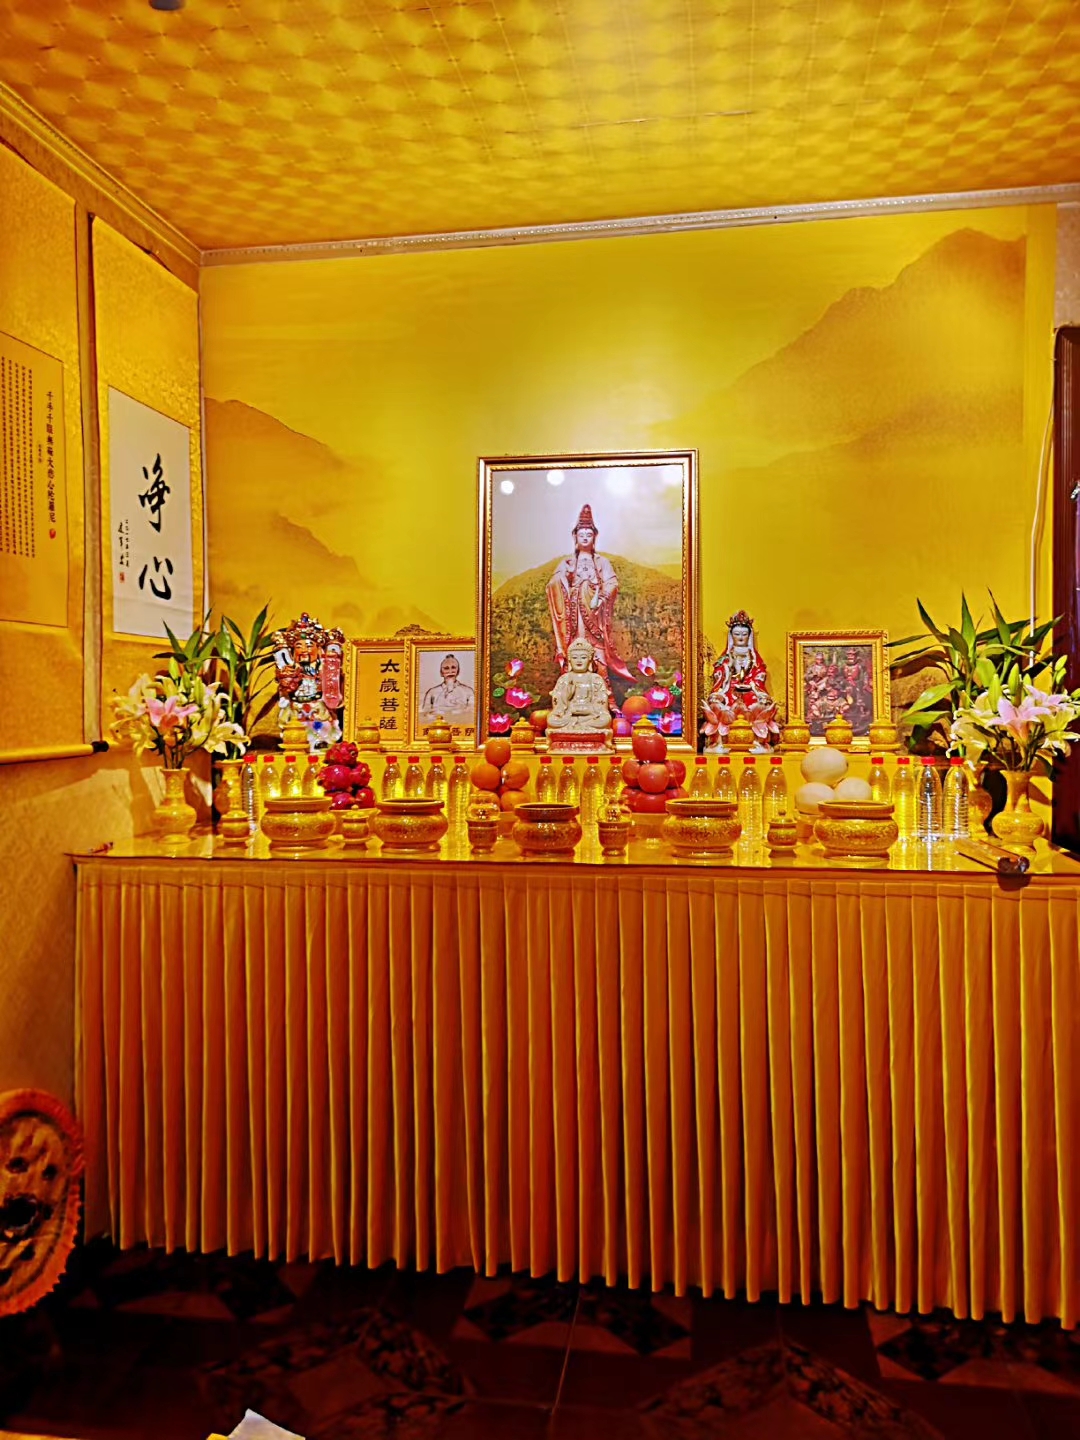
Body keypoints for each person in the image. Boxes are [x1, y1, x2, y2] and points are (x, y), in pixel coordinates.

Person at [546, 503, 632, 709]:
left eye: (589, 534)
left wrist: (601, 597)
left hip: (595, 615)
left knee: (598, 658)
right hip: (574, 617)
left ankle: (608, 701)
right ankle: (566, 703)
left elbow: (612, 583)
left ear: (594, 538)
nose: (585, 538)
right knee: (574, 657)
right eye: (581, 534)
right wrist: (564, 578)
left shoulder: (602, 562)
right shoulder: (568, 563)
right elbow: (552, 585)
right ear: (575, 537)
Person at [705, 609, 779, 751]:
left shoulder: (753, 657)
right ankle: (721, 741)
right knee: (717, 704)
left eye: (744, 634)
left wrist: (752, 685)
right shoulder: (726, 657)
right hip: (729, 688)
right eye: (737, 634)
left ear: (749, 636)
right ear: (731, 636)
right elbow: (719, 673)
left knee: (761, 704)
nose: (740, 638)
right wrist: (728, 668)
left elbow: (760, 673)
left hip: (750, 689)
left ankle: (756, 740)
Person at [419, 653, 475, 728]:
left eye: (453, 667)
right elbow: (424, 715)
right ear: (441, 672)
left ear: (458, 671)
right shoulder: (432, 692)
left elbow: (472, 716)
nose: (450, 671)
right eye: (446, 668)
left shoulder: (468, 691)